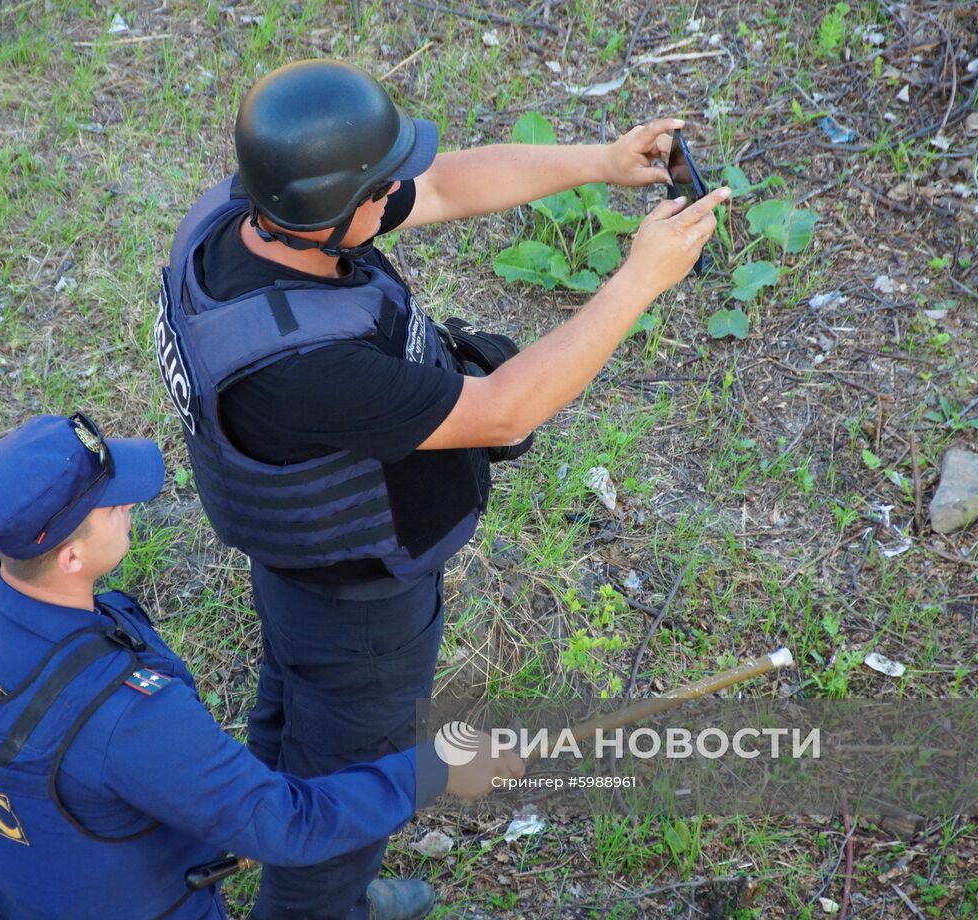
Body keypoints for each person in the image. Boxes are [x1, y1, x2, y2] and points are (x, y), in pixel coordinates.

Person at [153, 59, 727, 920]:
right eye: (383, 186)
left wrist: (601, 161)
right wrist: (639, 280)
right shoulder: (308, 369)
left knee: (292, 723)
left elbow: (446, 186)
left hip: (299, 573)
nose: (403, 191)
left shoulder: (249, 218)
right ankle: (319, 901)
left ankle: (269, 834)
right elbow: (502, 410)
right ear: (335, 210)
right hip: (360, 609)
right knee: (352, 782)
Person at [0, 413, 523, 920]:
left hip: (26, 894)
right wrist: (435, 770)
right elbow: (288, 825)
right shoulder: (129, 718)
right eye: (113, 507)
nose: (128, 510)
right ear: (69, 557)